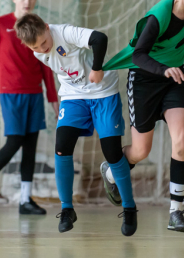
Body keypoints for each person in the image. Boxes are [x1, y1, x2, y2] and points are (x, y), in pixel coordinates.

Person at [100, 0, 184, 233]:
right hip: (143, 80)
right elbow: (138, 55)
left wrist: (170, 70)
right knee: (141, 151)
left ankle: (176, 211)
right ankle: (111, 170)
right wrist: (163, 69)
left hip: (174, 79)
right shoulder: (158, 17)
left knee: (182, 139)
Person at [15, 13, 137, 236]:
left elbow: (99, 38)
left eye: (44, 42)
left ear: (47, 27)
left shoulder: (64, 33)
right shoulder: (37, 52)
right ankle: (67, 209)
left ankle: (129, 208)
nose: (42, 49)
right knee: (62, 147)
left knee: (112, 152)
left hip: (103, 91)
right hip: (73, 96)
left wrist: (97, 68)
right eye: (36, 47)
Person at [0, 0, 58, 215]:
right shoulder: (1, 24)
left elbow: (46, 63)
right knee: (14, 142)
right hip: (11, 93)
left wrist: (53, 98)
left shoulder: (40, 26)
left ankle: (24, 200)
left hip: (35, 94)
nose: (27, 1)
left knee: (30, 146)